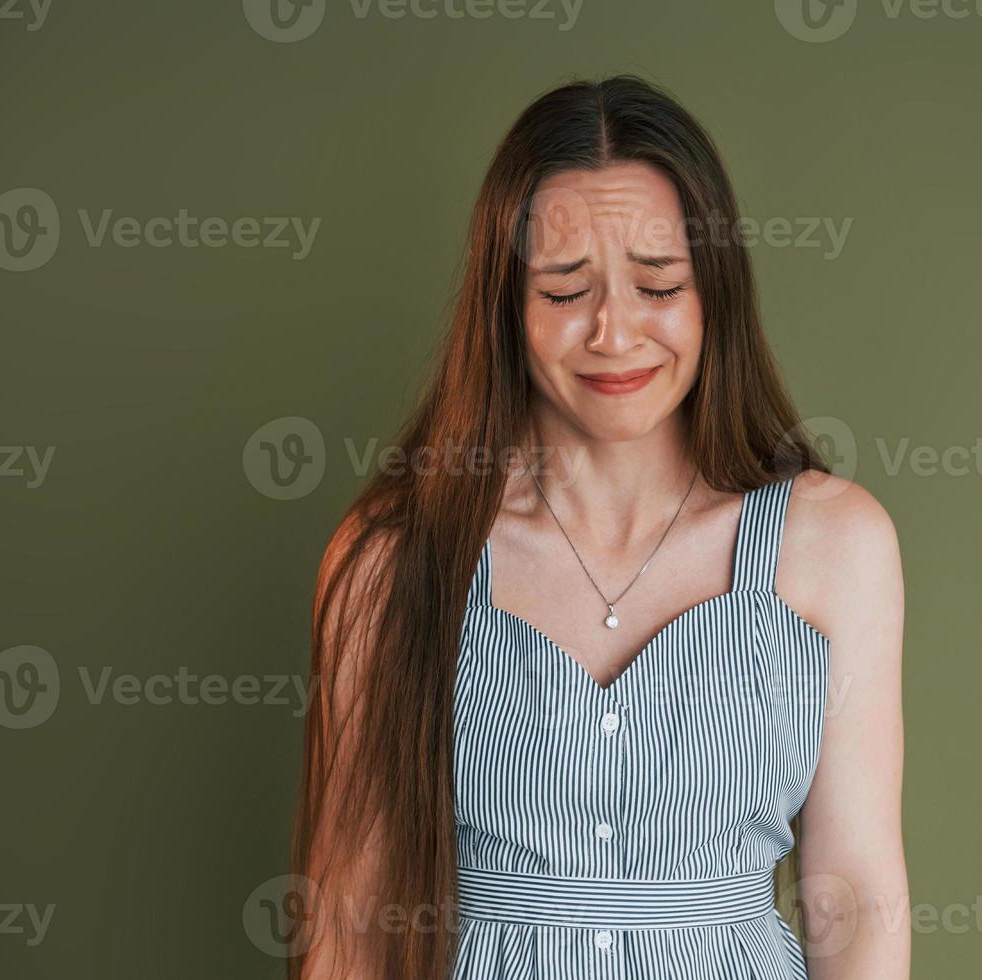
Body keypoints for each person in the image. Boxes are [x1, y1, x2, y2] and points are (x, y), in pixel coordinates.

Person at [292, 73, 908, 980]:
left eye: (659, 285)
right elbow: (352, 921)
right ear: (504, 308)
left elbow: (853, 897)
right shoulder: (393, 559)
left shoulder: (836, 545)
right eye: (564, 290)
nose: (613, 334)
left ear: (715, 297)